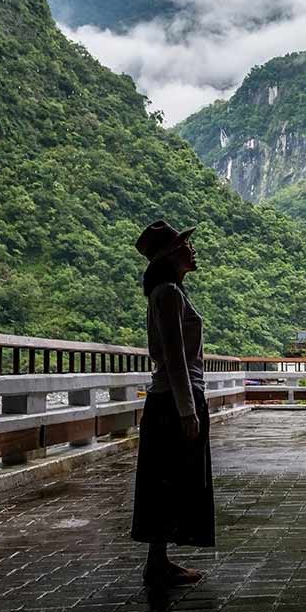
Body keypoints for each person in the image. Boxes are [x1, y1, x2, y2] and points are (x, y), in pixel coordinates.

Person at [130, 219, 215, 586]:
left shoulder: (169, 293)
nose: (192, 248)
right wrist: (187, 410)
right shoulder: (168, 294)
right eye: (185, 245)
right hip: (173, 398)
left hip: (172, 397)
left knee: (167, 477)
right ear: (171, 255)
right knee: (170, 476)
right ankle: (158, 563)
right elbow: (175, 356)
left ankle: (158, 560)